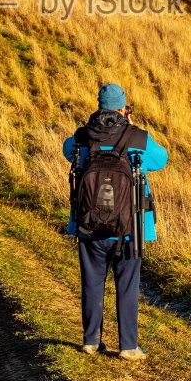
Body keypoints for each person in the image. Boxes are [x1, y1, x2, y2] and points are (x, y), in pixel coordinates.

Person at [63, 82, 168, 360]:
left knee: (92, 282)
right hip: (130, 227)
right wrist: (133, 126)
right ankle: (128, 346)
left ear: (100, 106)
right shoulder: (137, 138)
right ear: (123, 108)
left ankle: (90, 340)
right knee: (128, 285)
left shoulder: (82, 136)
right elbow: (161, 159)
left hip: (89, 225)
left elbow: (66, 151)